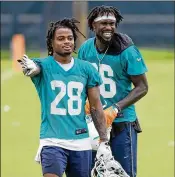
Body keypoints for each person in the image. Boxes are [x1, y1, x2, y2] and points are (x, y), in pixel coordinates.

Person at [17, 18, 113, 177]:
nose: (66, 42)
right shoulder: (44, 65)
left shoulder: (86, 69)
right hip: (52, 140)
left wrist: (104, 140)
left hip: (81, 142)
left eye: (70, 38)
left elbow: (96, 106)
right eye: (60, 38)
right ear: (51, 42)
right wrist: (33, 68)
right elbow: (34, 67)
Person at [78, 6, 149, 177]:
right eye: (103, 23)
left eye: (112, 23)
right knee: (95, 172)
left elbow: (142, 87)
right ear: (92, 26)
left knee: (123, 173)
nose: (109, 27)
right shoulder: (86, 49)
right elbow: (81, 82)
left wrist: (116, 108)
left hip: (121, 122)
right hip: (93, 122)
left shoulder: (127, 50)